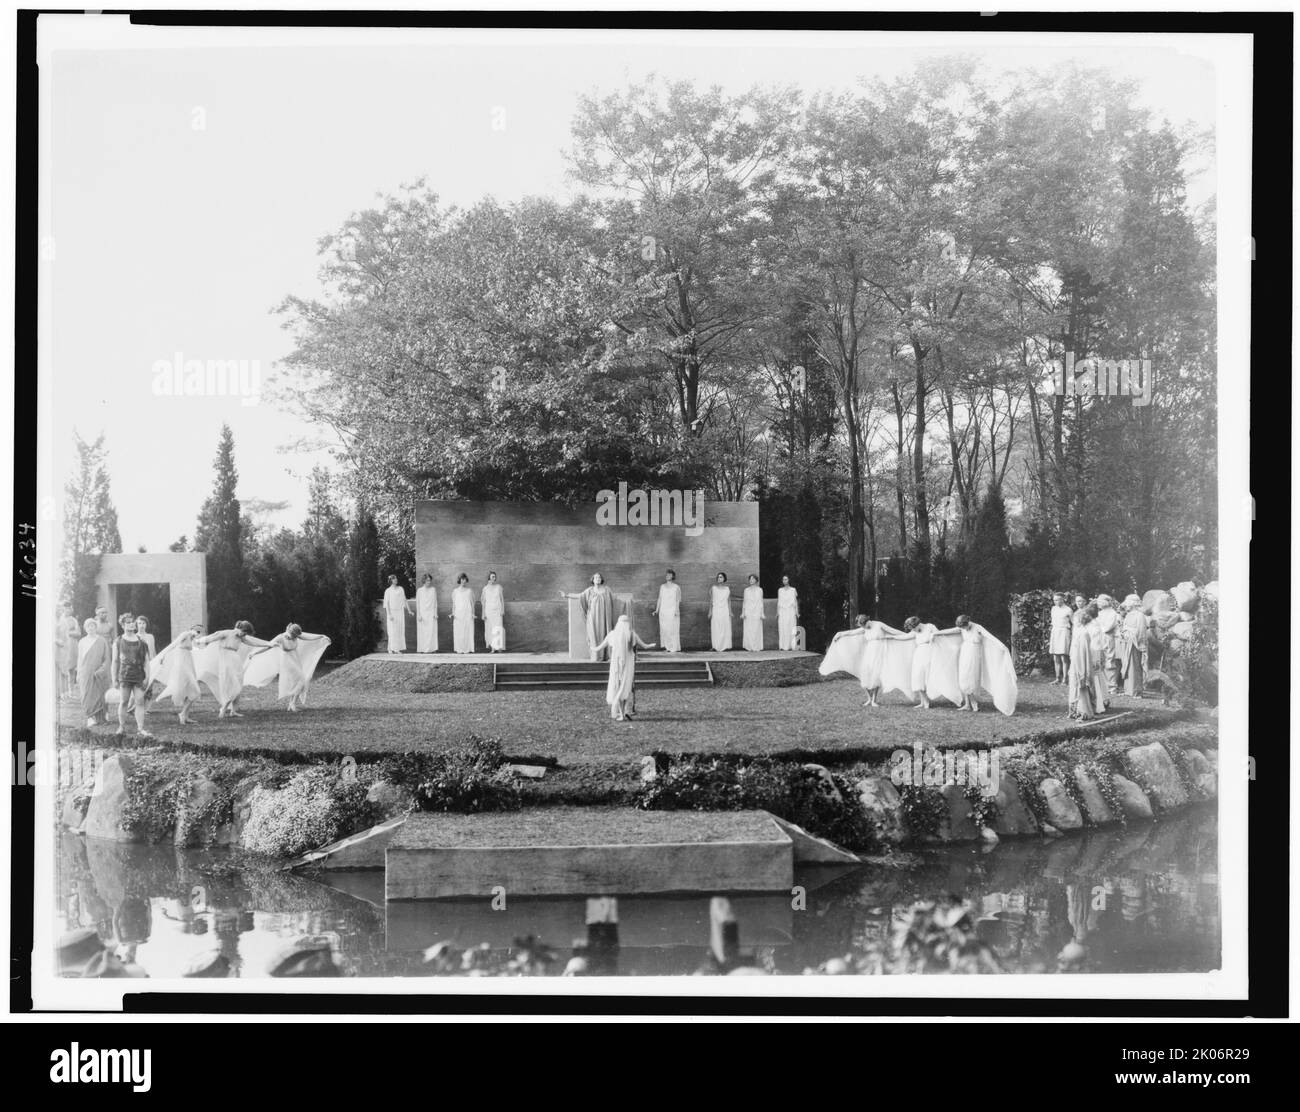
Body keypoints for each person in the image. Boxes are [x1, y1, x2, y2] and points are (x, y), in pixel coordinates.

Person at [245, 623, 332, 712]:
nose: (296, 637)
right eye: (295, 635)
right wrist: (255, 653)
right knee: (302, 680)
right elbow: (268, 646)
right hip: (287, 662)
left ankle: (291, 704)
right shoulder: (281, 637)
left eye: (297, 636)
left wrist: (321, 636)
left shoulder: (297, 635)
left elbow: (308, 637)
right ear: (291, 632)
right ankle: (292, 703)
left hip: (295, 660)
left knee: (297, 682)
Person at [195, 622, 271, 718]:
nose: (244, 636)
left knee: (238, 683)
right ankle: (224, 707)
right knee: (231, 685)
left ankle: (233, 711)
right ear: (241, 629)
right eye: (244, 633)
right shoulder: (227, 633)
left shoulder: (241, 637)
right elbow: (213, 637)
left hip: (235, 660)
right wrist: (199, 640)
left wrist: (269, 644)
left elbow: (254, 642)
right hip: (226, 660)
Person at [592, 615, 653, 721]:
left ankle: (621, 713)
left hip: (617, 666)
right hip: (627, 666)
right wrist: (651, 645)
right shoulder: (631, 635)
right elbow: (645, 645)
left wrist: (592, 646)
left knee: (618, 687)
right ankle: (622, 712)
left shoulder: (613, 634)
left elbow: (599, 647)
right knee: (624, 688)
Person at [890, 616, 958, 710]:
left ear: (917, 624)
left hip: (929, 653)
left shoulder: (930, 627)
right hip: (919, 654)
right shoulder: (915, 631)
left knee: (927, 676)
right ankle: (923, 701)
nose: (912, 630)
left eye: (913, 627)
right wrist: (892, 637)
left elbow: (939, 635)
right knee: (918, 676)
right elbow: (906, 637)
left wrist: (934, 636)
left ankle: (927, 701)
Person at [148, 624, 203, 725]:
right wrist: (163, 655)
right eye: (196, 631)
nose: (197, 633)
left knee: (191, 690)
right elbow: (173, 645)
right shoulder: (185, 634)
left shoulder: (191, 639)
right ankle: (182, 714)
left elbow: (193, 649)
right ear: (191, 629)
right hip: (182, 665)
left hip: (188, 663)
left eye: (200, 632)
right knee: (195, 690)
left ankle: (185, 716)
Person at [112, 617, 155, 739]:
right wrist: (114, 678)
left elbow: (147, 661)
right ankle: (121, 727)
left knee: (139, 701)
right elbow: (115, 661)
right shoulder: (118, 641)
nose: (131, 625)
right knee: (124, 701)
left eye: (132, 622)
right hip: (124, 675)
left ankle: (140, 728)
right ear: (123, 625)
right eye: (128, 623)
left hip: (138, 675)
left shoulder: (142, 642)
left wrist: (147, 677)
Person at [560, 573, 616, 661]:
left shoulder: (607, 590)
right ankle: (596, 656)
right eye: (596, 577)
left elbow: (615, 599)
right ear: (593, 580)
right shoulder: (590, 590)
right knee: (594, 635)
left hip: (605, 618)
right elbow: (579, 596)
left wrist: (626, 603)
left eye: (599, 577)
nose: (598, 579)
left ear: (601, 580)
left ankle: (605, 655)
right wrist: (566, 596)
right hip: (593, 618)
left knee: (605, 634)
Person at [76, 617, 112, 727]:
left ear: (96, 627)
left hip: (99, 671)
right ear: (85, 628)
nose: (90, 628)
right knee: (87, 694)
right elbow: (80, 658)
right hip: (86, 672)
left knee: (100, 693)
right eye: (88, 626)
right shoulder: (82, 641)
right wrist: (78, 673)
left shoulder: (101, 640)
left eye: (92, 625)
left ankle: (103, 715)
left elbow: (106, 657)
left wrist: (102, 669)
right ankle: (90, 717)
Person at [1068, 603, 1100, 720]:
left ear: (1082, 620)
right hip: (1076, 662)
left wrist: (1081, 670)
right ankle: (1075, 710)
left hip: (1080, 664)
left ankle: (1083, 711)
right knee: (1074, 686)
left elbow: (1083, 654)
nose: (1074, 622)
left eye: (1076, 620)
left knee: (1081, 687)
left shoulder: (1084, 634)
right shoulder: (1078, 632)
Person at [1117, 594, 1149, 697]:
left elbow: (1141, 632)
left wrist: (1130, 634)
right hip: (1126, 643)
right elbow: (1124, 628)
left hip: (1135, 645)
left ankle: (1136, 690)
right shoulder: (1128, 615)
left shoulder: (1140, 616)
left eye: (1128, 604)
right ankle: (1128, 690)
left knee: (1134, 667)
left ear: (1133, 604)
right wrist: (1123, 633)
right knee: (1126, 666)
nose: (1126, 606)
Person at [1095, 595, 1120, 694]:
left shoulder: (1113, 613)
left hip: (1108, 638)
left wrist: (1099, 626)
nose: (1098, 604)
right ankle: (1104, 685)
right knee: (1100, 661)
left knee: (1110, 661)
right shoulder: (1099, 613)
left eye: (1100, 602)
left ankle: (1112, 686)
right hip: (1099, 638)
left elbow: (1108, 628)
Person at [652, 569, 681, 653]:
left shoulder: (676, 587)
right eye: (666, 574)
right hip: (663, 611)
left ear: (673, 576)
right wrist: (657, 610)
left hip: (672, 610)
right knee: (665, 629)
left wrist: (676, 610)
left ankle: (674, 647)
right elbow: (659, 598)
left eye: (669, 575)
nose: (667, 576)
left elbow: (677, 600)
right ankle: (668, 647)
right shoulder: (662, 586)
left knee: (672, 628)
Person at [1049, 593, 1072, 684]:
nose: (1056, 602)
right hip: (1055, 632)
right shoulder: (1053, 609)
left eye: (1058, 599)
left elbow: (1073, 622)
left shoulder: (1068, 610)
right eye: (1055, 600)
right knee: (1056, 657)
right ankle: (1057, 678)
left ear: (1063, 599)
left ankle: (1065, 679)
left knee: (1064, 657)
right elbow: (1053, 622)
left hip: (1064, 632)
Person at [56, 608, 80, 697]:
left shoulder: (73, 620)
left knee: (72, 668)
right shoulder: (59, 620)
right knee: (62, 668)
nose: (67, 611)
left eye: (69, 609)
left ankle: (71, 691)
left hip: (72, 645)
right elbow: (56, 634)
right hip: (62, 646)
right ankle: (62, 691)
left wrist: (68, 633)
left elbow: (78, 633)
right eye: (65, 609)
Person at [708, 573, 734, 651]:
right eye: (718, 577)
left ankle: (725, 646)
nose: (719, 578)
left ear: (724, 579)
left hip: (725, 610)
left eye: (721, 577)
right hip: (716, 610)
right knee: (716, 628)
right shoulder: (713, 588)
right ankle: (715, 646)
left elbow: (729, 601)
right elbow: (711, 600)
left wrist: (730, 611)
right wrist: (710, 611)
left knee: (724, 627)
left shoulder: (727, 589)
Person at [481, 571, 506, 653]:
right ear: (489, 578)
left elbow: (502, 599)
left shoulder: (498, 587)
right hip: (488, 612)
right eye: (492, 577)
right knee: (490, 629)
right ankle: (493, 648)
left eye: (494, 577)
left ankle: (499, 647)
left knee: (498, 628)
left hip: (497, 611)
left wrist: (502, 609)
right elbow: (483, 602)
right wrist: (483, 613)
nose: (493, 578)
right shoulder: (485, 589)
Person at [383, 575, 408, 653]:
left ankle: (394, 648)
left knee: (399, 630)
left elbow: (404, 599)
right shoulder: (388, 591)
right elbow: (387, 604)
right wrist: (389, 614)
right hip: (392, 612)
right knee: (392, 630)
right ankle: (393, 649)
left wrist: (409, 610)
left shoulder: (401, 589)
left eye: (396, 578)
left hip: (400, 611)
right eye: (394, 579)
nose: (396, 580)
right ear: (391, 581)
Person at [451, 573, 475, 653]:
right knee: (459, 632)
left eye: (464, 579)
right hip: (458, 614)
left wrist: (472, 614)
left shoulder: (469, 591)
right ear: (459, 580)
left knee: (467, 631)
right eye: (462, 579)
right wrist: (453, 613)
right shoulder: (455, 591)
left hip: (467, 614)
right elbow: (454, 604)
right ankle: (459, 649)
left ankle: (467, 649)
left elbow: (472, 604)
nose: (463, 581)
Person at [415, 574, 438, 653]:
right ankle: (423, 649)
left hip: (431, 613)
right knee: (423, 632)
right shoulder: (419, 590)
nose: (429, 582)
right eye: (427, 580)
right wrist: (418, 615)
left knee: (431, 631)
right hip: (422, 614)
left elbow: (435, 603)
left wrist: (435, 613)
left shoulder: (433, 590)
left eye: (430, 580)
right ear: (424, 581)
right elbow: (418, 604)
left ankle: (431, 649)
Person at [741, 574, 764, 651]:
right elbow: (744, 602)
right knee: (749, 629)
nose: (751, 580)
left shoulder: (760, 590)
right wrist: (743, 613)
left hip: (757, 611)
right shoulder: (746, 590)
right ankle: (749, 646)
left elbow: (761, 602)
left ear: (756, 580)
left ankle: (756, 646)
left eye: (753, 579)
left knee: (756, 629)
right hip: (748, 611)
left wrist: (762, 613)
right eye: (750, 579)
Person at [776, 576, 799, 651]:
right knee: (782, 628)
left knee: (791, 627)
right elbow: (778, 602)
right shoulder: (780, 590)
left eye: (786, 579)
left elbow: (795, 602)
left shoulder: (793, 590)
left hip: (790, 610)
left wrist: (797, 612)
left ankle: (791, 645)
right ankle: (783, 646)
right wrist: (777, 612)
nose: (784, 581)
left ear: (789, 580)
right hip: (782, 611)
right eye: (783, 579)